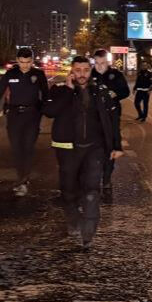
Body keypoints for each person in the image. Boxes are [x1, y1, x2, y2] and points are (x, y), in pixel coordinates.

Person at [43, 56, 123, 248]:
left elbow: (112, 119)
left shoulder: (100, 92)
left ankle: (89, 228)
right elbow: (49, 111)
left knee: (92, 189)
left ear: (91, 70)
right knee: (69, 190)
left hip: (95, 148)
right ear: (72, 71)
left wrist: (116, 145)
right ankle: (73, 219)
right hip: (68, 149)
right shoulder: (60, 90)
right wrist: (69, 91)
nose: (81, 74)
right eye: (77, 70)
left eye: (85, 70)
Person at [0, 47, 49, 196]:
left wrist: (49, 110)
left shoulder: (38, 74)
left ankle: (22, 180)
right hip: (14, 115)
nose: (25, 65)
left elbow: (46, 95)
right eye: (22, 62)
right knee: (16, 148)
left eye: (27, 62)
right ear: (18, 61)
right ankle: (23, 177)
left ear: (32, 61)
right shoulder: (11, 74)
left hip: (33, 114)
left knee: (28, 147)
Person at [90, 49, 130, 190]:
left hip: (111, 116)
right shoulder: (90, 75)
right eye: (97, 63)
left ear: (107, 62)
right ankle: (93, 176)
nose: (100, 66)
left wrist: (115, 94)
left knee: (110, 146)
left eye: (103, 63)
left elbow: (126, 92)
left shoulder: (115, 75)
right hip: (93, 117)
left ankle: (107, 178)